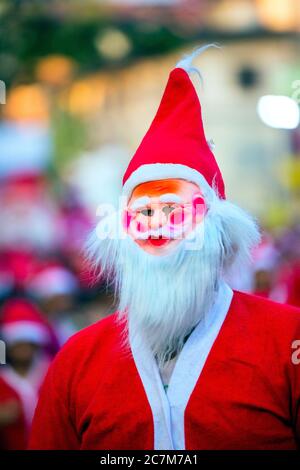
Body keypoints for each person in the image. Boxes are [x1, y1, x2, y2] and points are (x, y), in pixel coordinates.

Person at [29, 47, 300, 450]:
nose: (157, 226)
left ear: (217, 229)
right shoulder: (75, 362)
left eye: (173, 210)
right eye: (144, 211)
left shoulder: (287, 340)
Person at [0, 298, 51, 449]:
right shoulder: (3, 379)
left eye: (27, 342)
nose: (22, 349)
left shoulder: (52, 372)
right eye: (17, 343)